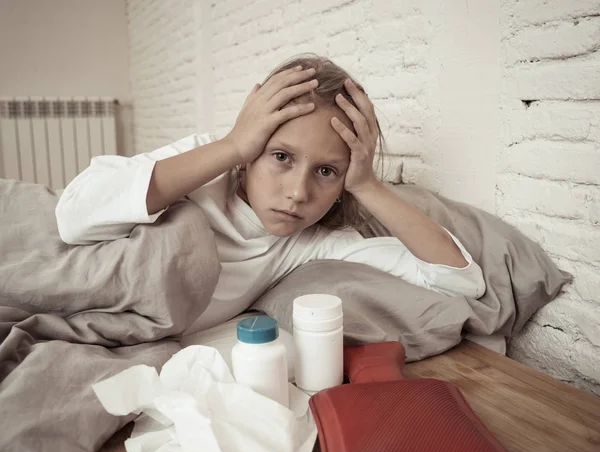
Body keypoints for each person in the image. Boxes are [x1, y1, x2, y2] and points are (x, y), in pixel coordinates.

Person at [55, 54, 485, 336]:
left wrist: (366, 185)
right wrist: (231, 147)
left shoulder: (311, 243)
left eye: (326, 171)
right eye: (281, 156)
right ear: (250, 152)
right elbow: (73, 215)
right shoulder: (208, 162)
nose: (298, 193)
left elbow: (459, 279)